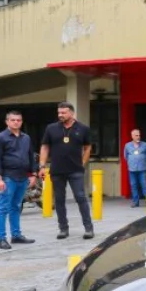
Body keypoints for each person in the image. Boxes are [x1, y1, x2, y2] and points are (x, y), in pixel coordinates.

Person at [39, 102, 94, 240]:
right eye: (59, 113)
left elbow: (88, 147)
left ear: (71, 113)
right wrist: (42, 165)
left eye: (63, 113)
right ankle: (63, 228)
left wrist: (82, 162)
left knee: (80, 197)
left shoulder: (83, 128)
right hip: (57, 170)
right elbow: (45, 147)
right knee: (59, 200)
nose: (60, 115)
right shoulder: (51, 128)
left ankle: (88, 228)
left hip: (76, 170)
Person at [0, 110, 37, 250]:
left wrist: (33, 174)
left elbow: (31, 156)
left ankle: (16, 235)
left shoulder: (26, 138)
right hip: (7, 177)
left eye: (18, 120)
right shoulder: (0, 138)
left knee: (16, 207)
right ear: (7, 122)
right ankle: (1, 238)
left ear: (21, 122)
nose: (16, 122)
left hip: (23, 177)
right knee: (3, 208)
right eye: (13, 120)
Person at [123, 129, 146, 207]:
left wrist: (142, 160)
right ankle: (135, 202)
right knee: (133, 185)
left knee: (144, 185)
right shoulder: (127, 145)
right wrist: (132, 161)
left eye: (139, 135)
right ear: (132, 136)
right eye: (136, 135)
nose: (138, 137)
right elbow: (125, 156)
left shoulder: (145, 145)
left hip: (142, 168)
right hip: (132, 169)